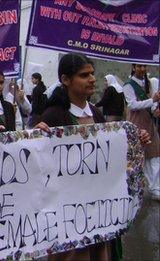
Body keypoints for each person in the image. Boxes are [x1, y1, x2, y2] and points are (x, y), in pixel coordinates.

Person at [36, 52, 150, 260]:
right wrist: (36, 138)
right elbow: (41, 163)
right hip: (68, 211)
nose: (92, 79)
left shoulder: (96, 115)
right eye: (84, 75)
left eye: (92, 73)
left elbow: (109, 155)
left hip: (97, 207)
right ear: (65, 80)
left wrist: (133, 142)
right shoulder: (53, 115)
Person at [123, 64, 160, 200]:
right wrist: (153, 100)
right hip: (136, 123)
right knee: (136, 156)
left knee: (155, 155)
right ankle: (133, 188)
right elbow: (132, 105)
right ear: (133, 68)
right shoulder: (129, 85)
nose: (142, 69)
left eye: (144, 66)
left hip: (149, 123)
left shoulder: (149, 83)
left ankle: (155, 188)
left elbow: (151, 105)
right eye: (139, 66)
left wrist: (154, 109)